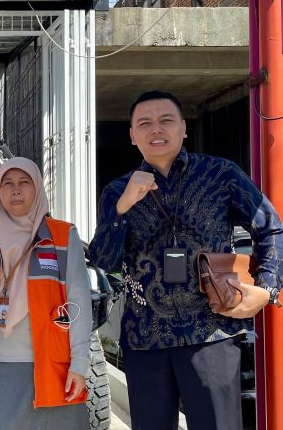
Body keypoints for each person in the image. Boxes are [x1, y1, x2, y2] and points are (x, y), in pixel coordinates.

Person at [89, 91, 283, 430]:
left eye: (166, 120)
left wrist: (267, 288)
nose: (156, 129)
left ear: (183, 127)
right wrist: (123, 206)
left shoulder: (221, 174)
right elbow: (103, 259)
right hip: (145, 339)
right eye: (144, 123)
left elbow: (271, 228)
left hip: (213, 333)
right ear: (132, 135)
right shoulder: (118, 190)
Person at [0, 157, 92, 430]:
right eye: (8, 184)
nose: (16, 190)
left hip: (53, 365)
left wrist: (80, 363)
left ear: (37, 188)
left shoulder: (62, 235)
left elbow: (78, 302)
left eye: (24, 183)